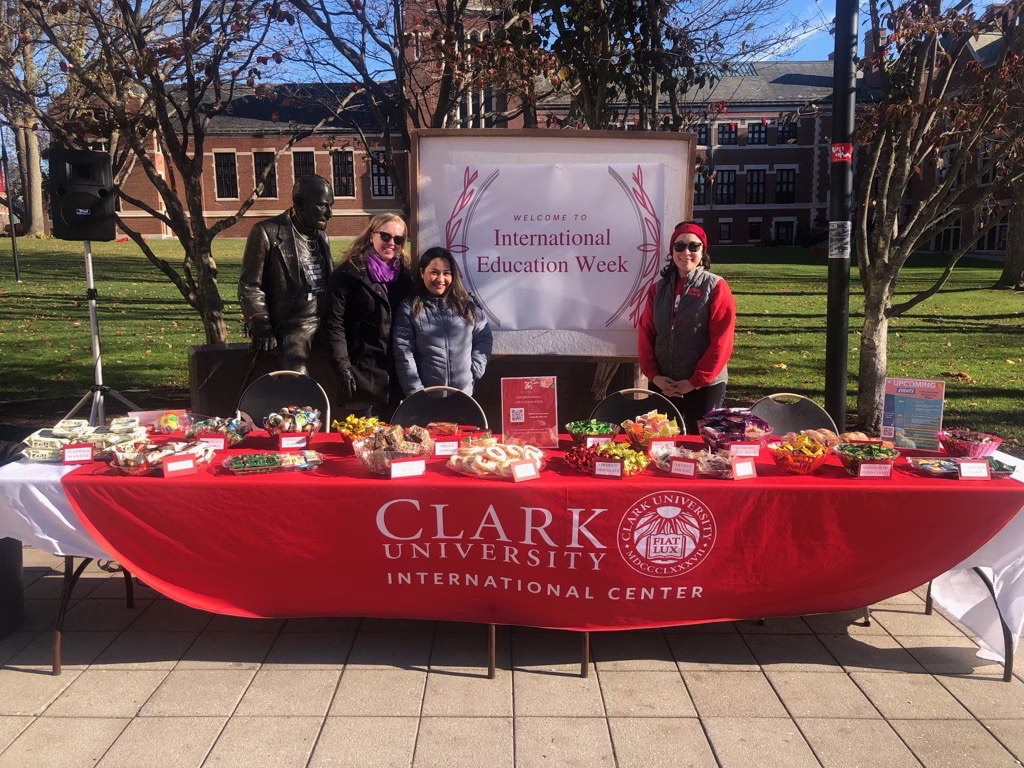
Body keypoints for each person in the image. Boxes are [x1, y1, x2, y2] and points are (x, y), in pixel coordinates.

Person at [637, 221, 736, 435]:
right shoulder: (658, 289)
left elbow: (722, 340)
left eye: (694, 246)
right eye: (679, 246)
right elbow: (646, 332)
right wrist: (654, 376)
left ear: (703, 250)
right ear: (672, 251)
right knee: (661, 446)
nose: (686, 252)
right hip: (665, 383)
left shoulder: (716, 286)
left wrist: (695, 382)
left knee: (702, 450)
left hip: (703, 387)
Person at [238, 175, 335, 373]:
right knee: (296, 367)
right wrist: (260, 324)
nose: (329, 213)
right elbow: (249, 286)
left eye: (330, 206)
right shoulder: (266, 233)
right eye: (322, 206)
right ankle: (303, 405)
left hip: (325, 322)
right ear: (299, 202)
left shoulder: (322, 237)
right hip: (293, 326)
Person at [324, 213, 415, 417]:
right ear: (371, 236)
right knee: (361, 443)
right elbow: (333, 324)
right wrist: (343, 368)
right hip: (360, 373)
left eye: (398, 239)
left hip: (394, 378)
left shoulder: (405, 278)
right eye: (385, 236)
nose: (391, 243)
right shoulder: (348, 274)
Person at [392, 247, 492, 397]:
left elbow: (484, 336)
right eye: (434, 272)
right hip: (426, 398)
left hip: (463, 396)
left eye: (446, 273)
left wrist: (475, 368)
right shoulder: (410, 307)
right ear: (422, 273)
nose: (440, 279)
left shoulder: (466, 304)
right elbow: (404, 353)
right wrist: (416, 392)